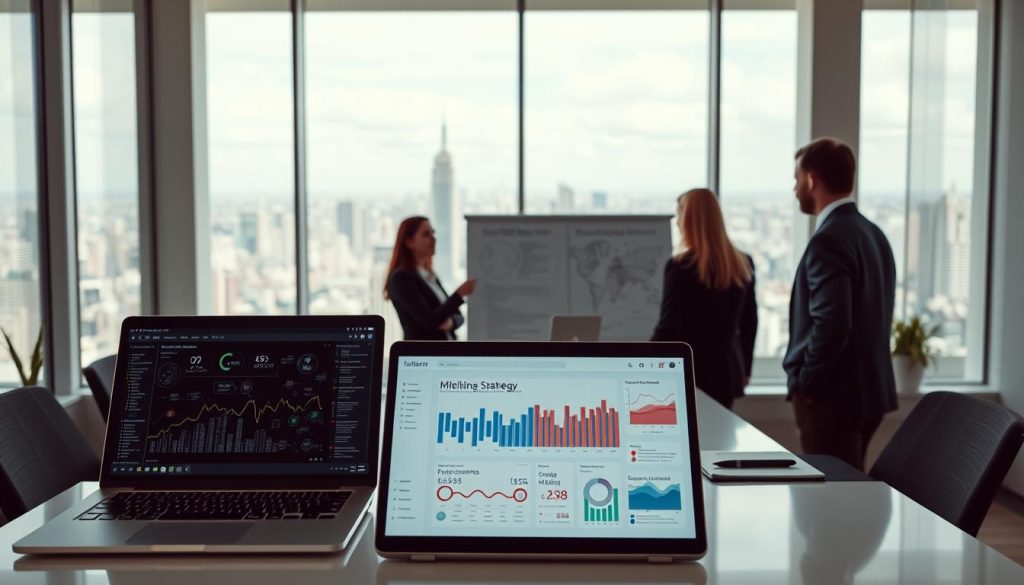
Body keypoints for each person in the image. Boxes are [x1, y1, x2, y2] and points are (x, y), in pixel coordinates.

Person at [784, 137, 897, 471]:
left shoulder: (827, 240)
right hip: (870, 393)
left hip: (833, 397)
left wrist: (808, 386)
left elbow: (832, 323)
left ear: (811, 180)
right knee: (851, 488)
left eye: (796, 180)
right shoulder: (873, 234)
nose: (794, 189)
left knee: (831, 496)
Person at [651, 188, 757, 410]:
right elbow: (749, 324)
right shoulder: (742, 264)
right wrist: (746, 368)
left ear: (688, 219)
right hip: (726, 374)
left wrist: (644, 362)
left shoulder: (680, 267)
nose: (678, 223)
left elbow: (669, 328)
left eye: (679, 215)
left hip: (690, 374)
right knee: (719, 441)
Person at [385, 216, 476, 340]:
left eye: (433, 233)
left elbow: (459, 316)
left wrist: (451, 323)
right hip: (423, 355)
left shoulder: (429, 276)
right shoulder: (401, 279)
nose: (434, 238)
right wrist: (459, 294)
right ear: (409, 242)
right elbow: (430, 321)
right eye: (426, 234)